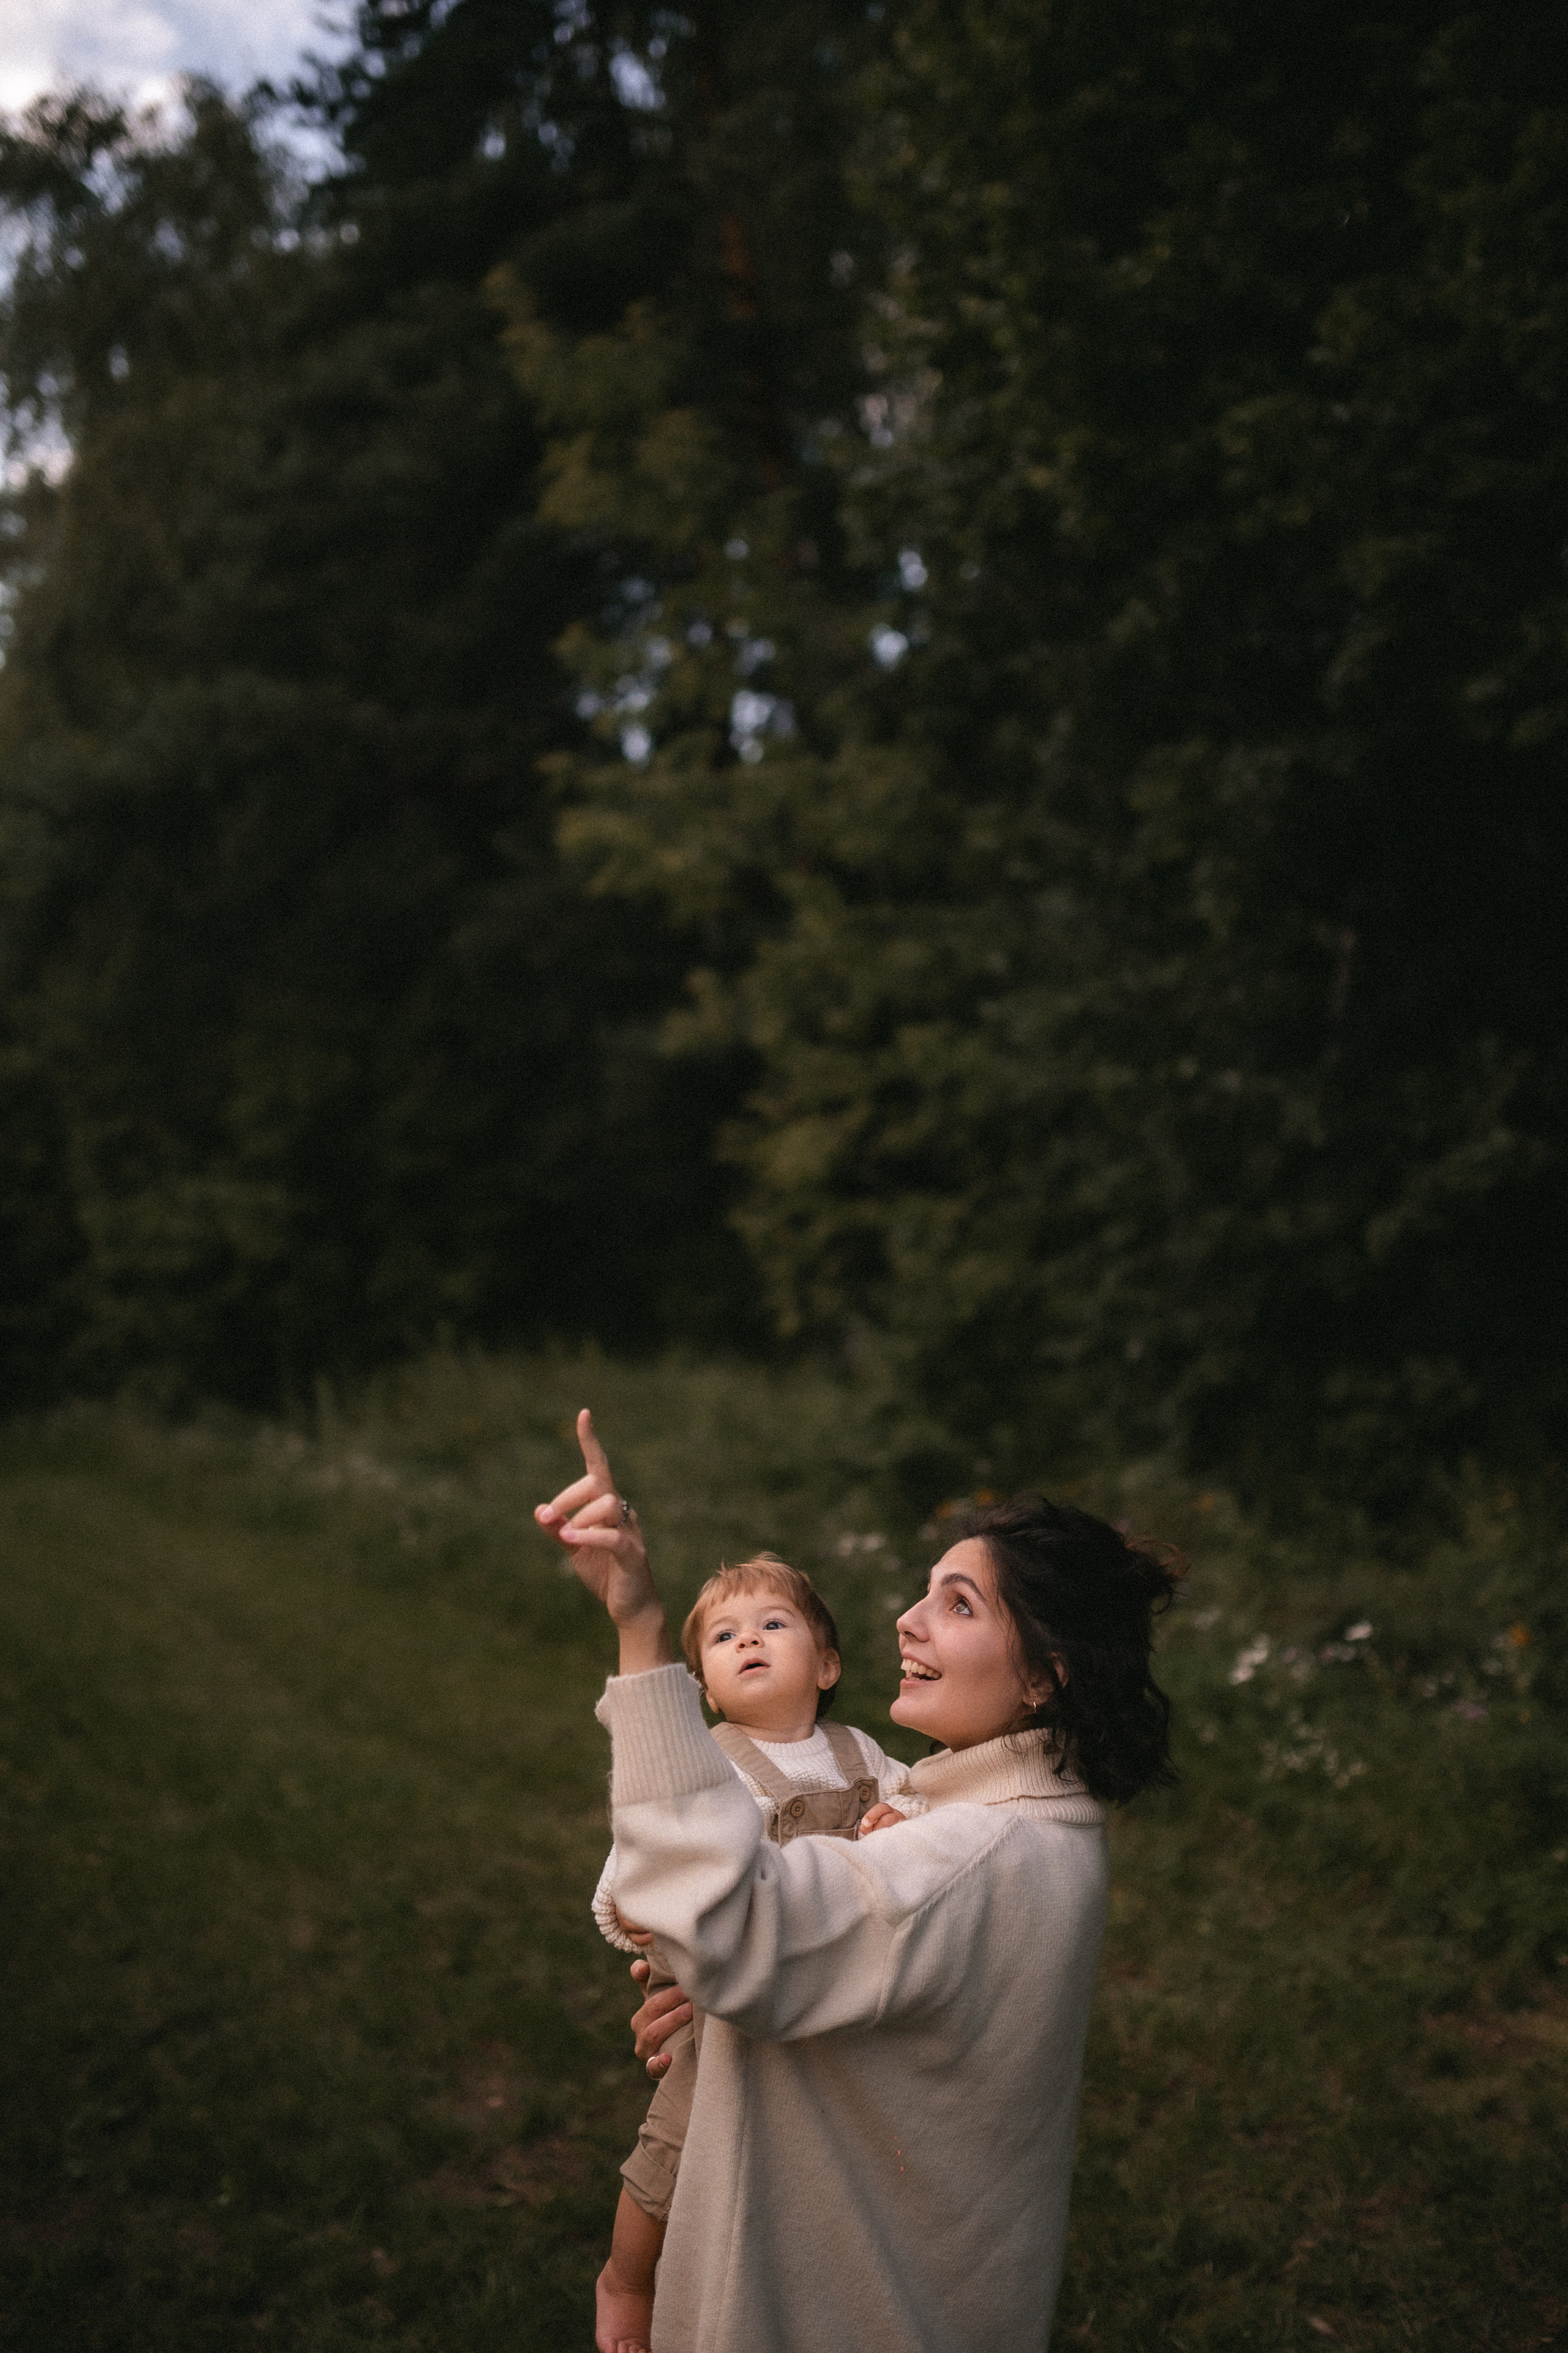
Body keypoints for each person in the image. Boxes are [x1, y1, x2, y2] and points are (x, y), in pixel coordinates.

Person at [535, 1411, 1179, 2353]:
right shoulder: (1051, 1825)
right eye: (925, 1593)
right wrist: (718, 2003)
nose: (907, 1621)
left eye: (958, 1604)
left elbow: (731, 1925)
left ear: (1045, 1676)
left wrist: (640, 1627)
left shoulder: (956, 1862)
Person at [589, 1551, 924, 2352]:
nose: (751, 1641)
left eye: (775, 1624)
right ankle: (627, 2279)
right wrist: (632, 1907)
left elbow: (921, 1804)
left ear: (828, 1662)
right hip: (710, 1998)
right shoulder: (706, 1762)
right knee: (677, 2143)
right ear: (704, 1684)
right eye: (725, 1636)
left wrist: (902, 1820)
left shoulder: (864, 1754)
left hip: (822, 1978)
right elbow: (635, 1855)